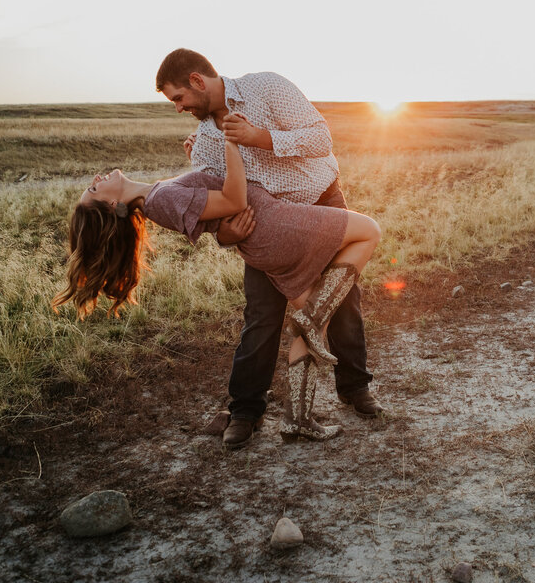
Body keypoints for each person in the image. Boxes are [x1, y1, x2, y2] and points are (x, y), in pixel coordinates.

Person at [52, 139, 381, 441]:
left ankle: (302, 416)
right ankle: (247, 409)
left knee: (315, 317)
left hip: (269, 228)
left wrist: (200, 158)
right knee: (363, 239)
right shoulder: (157, 198)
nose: (97, 176)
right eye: (94, 187)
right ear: (111, 204)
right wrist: (229, 142)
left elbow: (206, 201)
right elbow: (231, 200)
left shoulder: (154, 193)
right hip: (272, 227)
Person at [155, 48, 385, 450]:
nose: (178, 108)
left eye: (178, 98)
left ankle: (355, 387)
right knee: (261, 312)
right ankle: (246, 410)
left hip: (320, 198)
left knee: (343, 298)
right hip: (267, 225)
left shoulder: (267, 86)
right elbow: (221, 204)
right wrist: (226, 236)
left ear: (196, 80)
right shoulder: (206, 141)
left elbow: (321, 138)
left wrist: (259, 138)